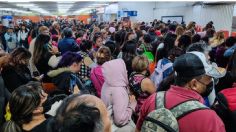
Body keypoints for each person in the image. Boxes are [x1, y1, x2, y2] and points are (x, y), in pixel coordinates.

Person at [136, 51, 226, 132]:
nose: (211, 82)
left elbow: (138, 129)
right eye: (209, 78)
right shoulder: (210, 119)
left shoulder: (153, 99)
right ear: (194, 84)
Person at [101, 59, 137, 131]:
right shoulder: (118, 90)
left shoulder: (107, 83)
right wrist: (132, 106)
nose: (126, 71)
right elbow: (120, 120)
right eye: (124, 69)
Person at [129, 56, 156, 121]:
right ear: (146, 66)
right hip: (143, 112)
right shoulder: (146, 81)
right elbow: (156, 95)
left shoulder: (132, 75)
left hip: (133, 108)